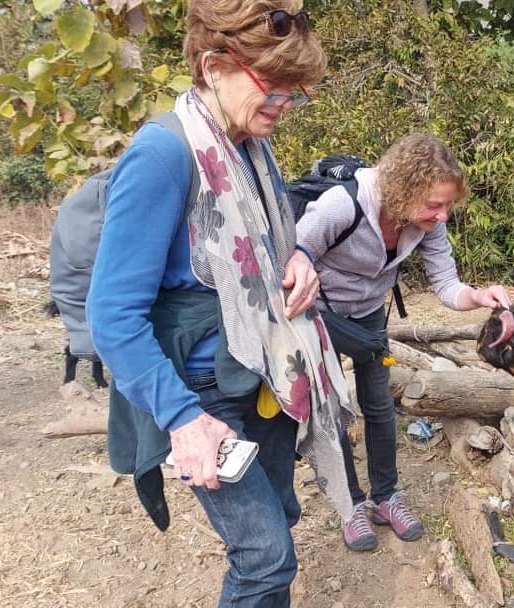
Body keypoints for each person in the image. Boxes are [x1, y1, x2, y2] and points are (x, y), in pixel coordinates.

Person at [87, 2, 354, 606]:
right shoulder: (162, 155)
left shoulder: (249, 147)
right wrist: (181, 419)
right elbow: (112, 316)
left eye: (295, 94)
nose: (286, 107)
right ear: (213, 65)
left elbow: (268, 243)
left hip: (265, 371)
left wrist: (301, 258)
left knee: (280, 517)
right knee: (264, 559)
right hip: (202, 390)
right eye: (276, 90)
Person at [296, 133, 511, 551]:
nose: (443, 214)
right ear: (402, 190)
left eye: (448, 204)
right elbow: (295, 253)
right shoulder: (344, 206)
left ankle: (385, 497)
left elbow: (446, 285)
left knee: (378, 405)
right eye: (434, 204)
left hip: (371, 315)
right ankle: (351, 505)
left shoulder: (425, 224)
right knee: (332, 409)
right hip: (318, 318)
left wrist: (479, 296)